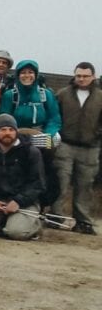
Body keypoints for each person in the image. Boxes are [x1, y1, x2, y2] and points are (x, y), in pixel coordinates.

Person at [0, 59, 62, 208]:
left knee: (43, 170)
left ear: (36, 75)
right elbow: (4, 118)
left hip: (40, 135)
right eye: (23, 73)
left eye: (31, 72)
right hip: (15, 136)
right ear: (18, 75)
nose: (27, 76)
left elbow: (54, 118)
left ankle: (42, 203)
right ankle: (12, 200)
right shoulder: (10, 95)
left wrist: (48, 134)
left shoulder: (46, 94)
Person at [52, 62, 101, 235]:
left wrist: (96, 134)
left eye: (85, 76)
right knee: (61, 182)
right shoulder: (62, 94)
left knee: (85, 185)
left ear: (93, 77)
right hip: (65, 145)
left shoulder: (100, 97)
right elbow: (54, 116)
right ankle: (55, 217)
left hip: (90, 148)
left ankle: (83, 222)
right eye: (78, 75)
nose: (81, 79)